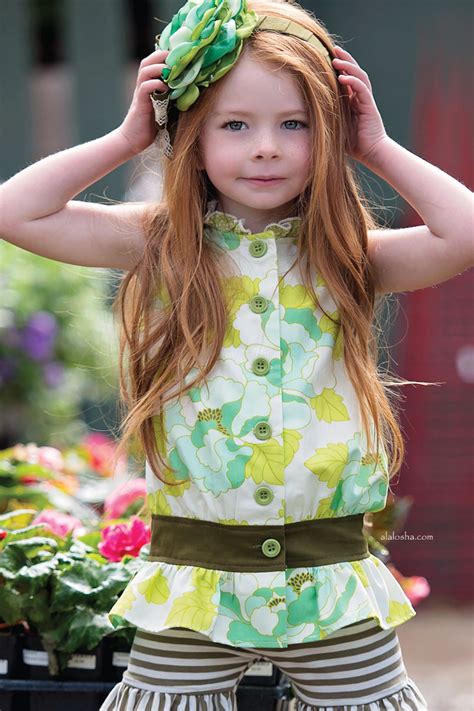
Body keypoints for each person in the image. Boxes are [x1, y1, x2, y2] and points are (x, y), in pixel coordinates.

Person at [1, 0, 472, 707]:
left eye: (296, 124)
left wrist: (374, 146)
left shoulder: (343, 254)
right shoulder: (164, 242)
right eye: (235, 125)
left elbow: (463, 233)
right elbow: (17, 211)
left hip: (330, 576)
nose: (266, 147)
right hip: (197, 577)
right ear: (191, 133)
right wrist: (131, 138)